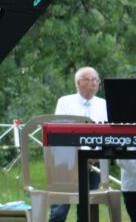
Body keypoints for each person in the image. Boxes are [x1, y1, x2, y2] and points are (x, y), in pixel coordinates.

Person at [50, 66, 108, 222]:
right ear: (78, 83)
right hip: (66, 164)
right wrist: (76, 158)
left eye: (96, 80)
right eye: (89, 79)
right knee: (59, 210)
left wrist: (96, 157)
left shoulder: (104, 104)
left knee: (86, 210)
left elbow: (108, 135)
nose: (94, 83)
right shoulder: (65, 102)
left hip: (93, 163)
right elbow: (59, 134)